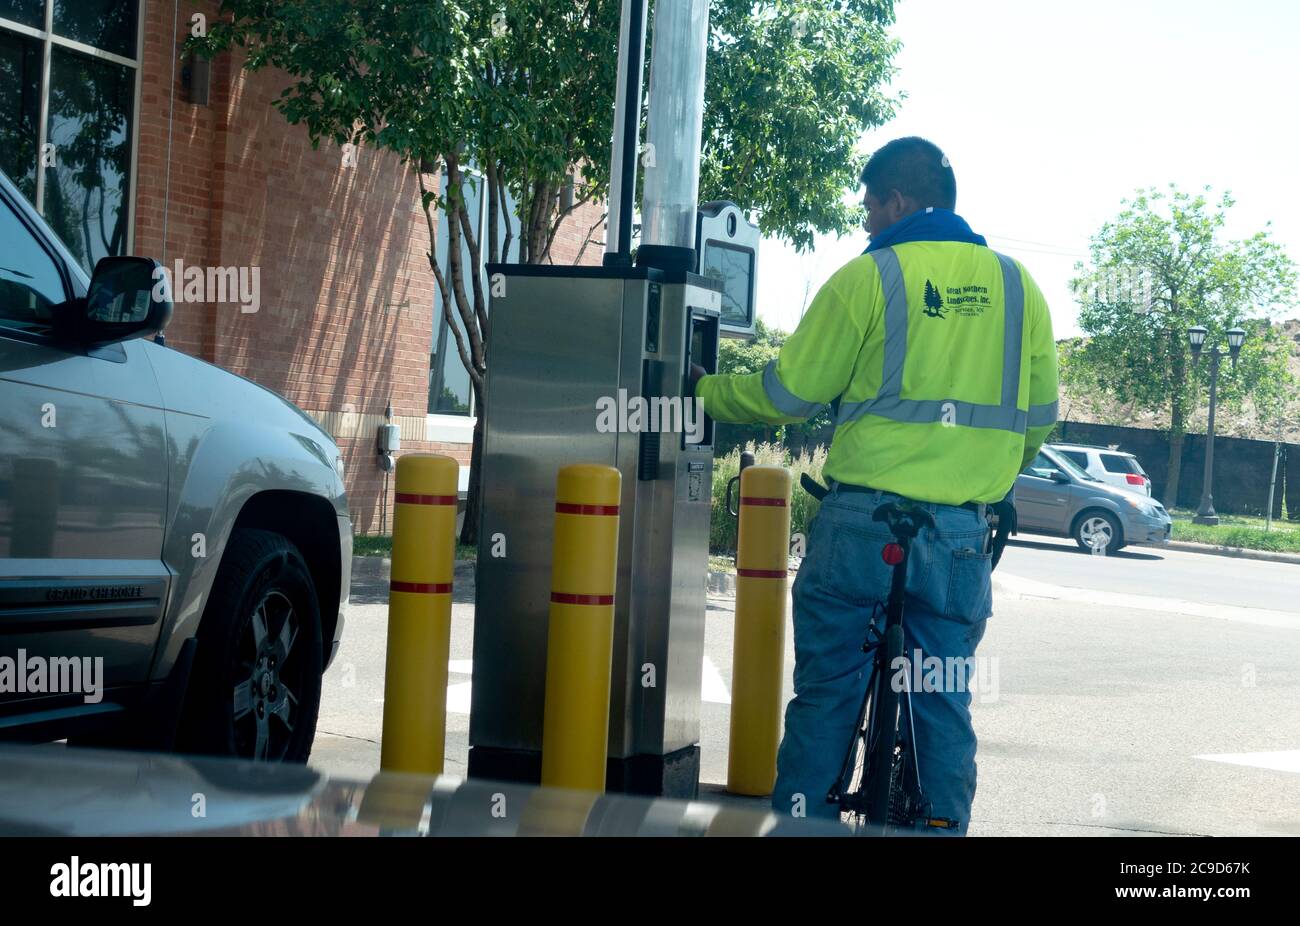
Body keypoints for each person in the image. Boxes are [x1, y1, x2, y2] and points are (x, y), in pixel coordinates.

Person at [690, 137, 1059, 834]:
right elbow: (1038, 420)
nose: (864, 222)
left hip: (861, 525)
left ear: (895, 201)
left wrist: (706, 391)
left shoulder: (868, 278)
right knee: (942, 697)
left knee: (828, 695)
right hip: (957, 533)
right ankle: (941, 826)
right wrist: (983, 473)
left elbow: (789, 392)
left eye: (867, 206)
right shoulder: (1020, 289)